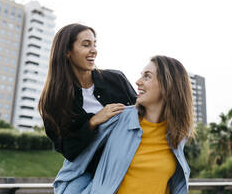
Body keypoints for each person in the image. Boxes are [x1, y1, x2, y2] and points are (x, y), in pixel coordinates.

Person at [54, 55, 195, 194]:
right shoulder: (117, 119)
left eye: (147, 76)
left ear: (168, 85)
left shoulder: (178, 132)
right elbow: (74, 167)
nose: (138, 82)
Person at [38, 23, 137, 175]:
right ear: (67, 52)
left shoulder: (116, 79)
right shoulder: (53, 101)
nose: (93, 51)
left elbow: (143, 114)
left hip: (134, 163)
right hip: (93, 173)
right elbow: (68, 150)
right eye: (86, 45)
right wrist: (93, 122)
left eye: (94, 44)